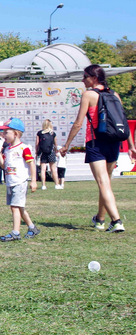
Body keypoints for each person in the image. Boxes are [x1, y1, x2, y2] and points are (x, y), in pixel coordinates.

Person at [60, 65, 136, 232]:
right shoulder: (114, 94)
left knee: (103, 182)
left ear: (94, 78)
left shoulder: (88, 95)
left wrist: (66, 145)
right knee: (106, 183)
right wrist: (131, 145)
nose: (83, 80)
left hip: (96, 142)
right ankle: (100, 220)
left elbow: (78, 123)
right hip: (114, 142)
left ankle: (116, 221)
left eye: (85, 76)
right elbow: (123, 121)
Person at [0, 118, 40, 242]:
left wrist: (33, 180)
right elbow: (4, 166)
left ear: (15, 133)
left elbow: (31, 164)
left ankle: (16, 232)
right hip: (11, 181)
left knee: (15, 207)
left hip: (20, 182)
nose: (3, 135)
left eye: (6, 132)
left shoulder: (24, 148)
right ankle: (32, 228)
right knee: (19, 207)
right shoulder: (7, 149)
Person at [36, 119, 59, 190]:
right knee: (53, 169)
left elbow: (37, 144)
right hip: (51, 152)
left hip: (43, 152)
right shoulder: (53, 133)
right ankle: (57, 184)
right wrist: (56, 152)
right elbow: (55, 144)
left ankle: (43, 185)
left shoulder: (39, 133)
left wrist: (37, 152)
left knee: (43, 169)